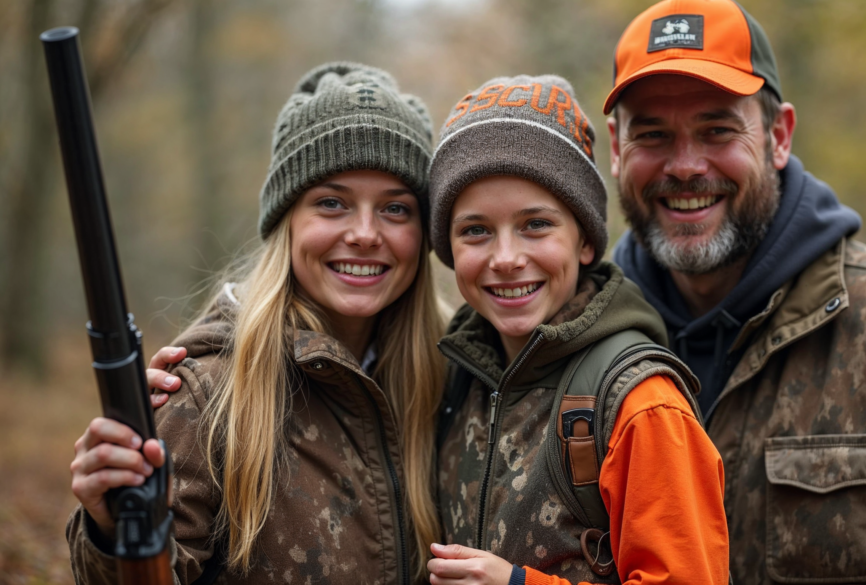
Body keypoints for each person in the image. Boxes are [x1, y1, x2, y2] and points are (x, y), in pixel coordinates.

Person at [605, 0, 866, 582]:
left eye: (717, 129)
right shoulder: (580, 349)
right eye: (652, 134)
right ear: (615, 148)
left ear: (779, 136)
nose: (685, 165)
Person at [66, 62, 447, 584]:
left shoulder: (455, 378)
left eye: (396, 209)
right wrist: (112, 532)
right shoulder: (206, 391)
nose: (364, 233)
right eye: (331, 203)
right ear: (285, 221)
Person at [425, 75, 729, 585]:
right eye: (475, 230)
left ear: (584, 241)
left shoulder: (640, 402)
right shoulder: (459, 380)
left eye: (536, 225)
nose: (505, 258)